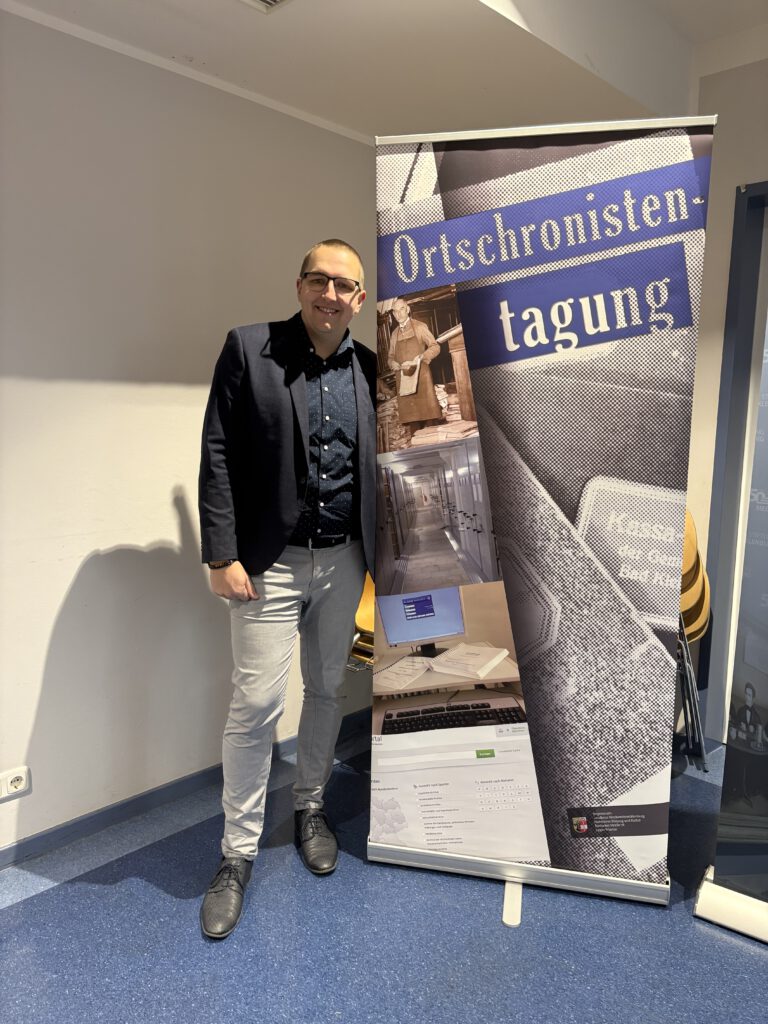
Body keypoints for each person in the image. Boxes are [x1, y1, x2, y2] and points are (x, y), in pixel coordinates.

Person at [198, 239, 375, 939]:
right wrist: (221, 553)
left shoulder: (371, 369)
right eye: (318, 280)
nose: (330, 294)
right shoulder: (250, 349)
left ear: (359, 299)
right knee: (256, 706)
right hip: (267, 564)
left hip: (345, 558)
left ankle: (310, 806)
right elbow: (217, 450)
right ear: (300, 285)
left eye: (344, 285)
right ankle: (236, 853)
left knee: (327, 688)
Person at [387, 297, 443, 436]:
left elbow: (435, 347)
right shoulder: (394, 334)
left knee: (431, 429)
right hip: (405, 384)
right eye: (395, 311)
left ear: (408, 309)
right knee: (415, 432)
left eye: (402, 309)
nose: (399, 314)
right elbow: (390, 357)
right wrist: (392, 363)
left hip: (422, 381)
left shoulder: (419, 327)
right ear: (393, 314)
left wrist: (422, 356)